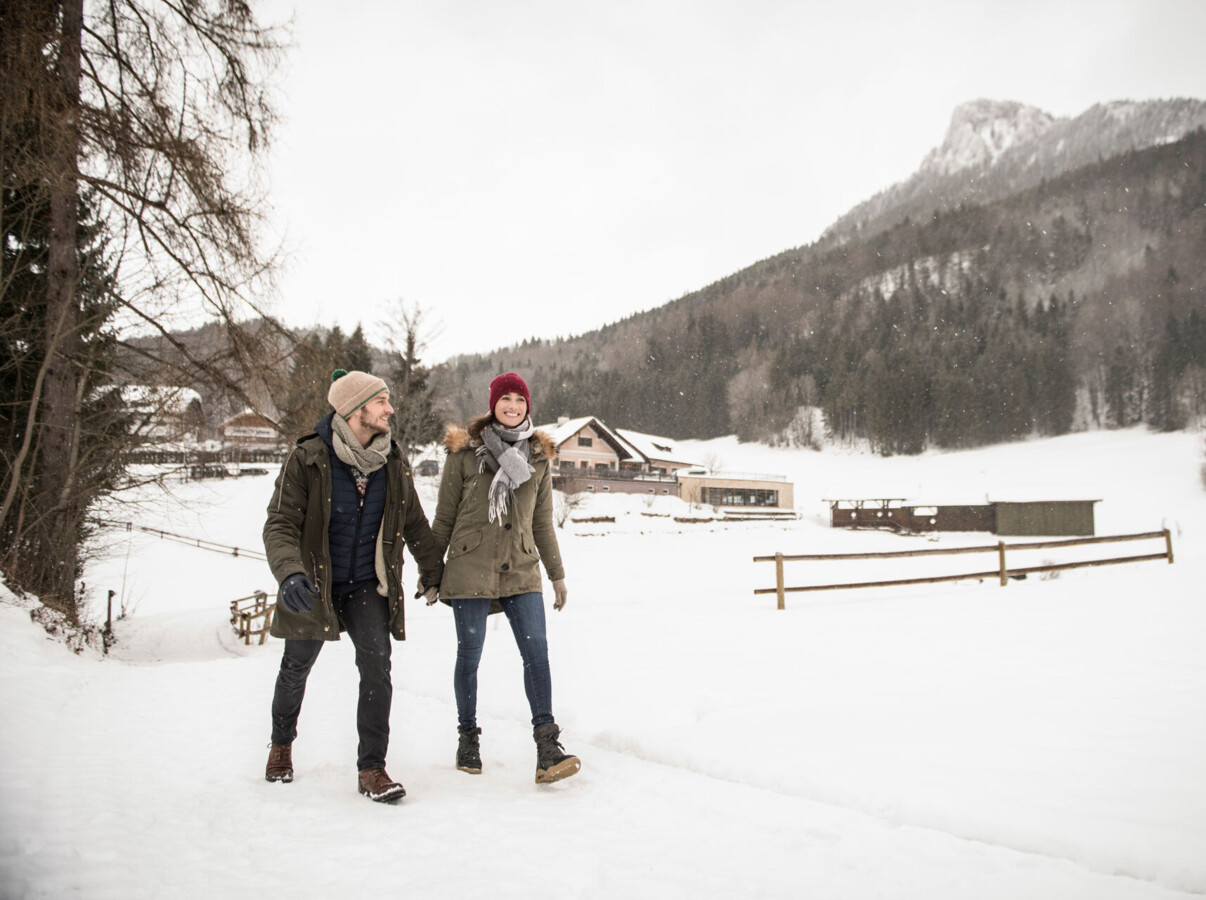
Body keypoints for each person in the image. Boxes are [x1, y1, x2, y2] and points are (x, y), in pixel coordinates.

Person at [262, 369, 444, 803]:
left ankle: (372, 769)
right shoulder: (307, 458)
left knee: (377, 667)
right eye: (382, 402)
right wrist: (290, 573)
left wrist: (433, 569)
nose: (390, 409)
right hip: (313, 583)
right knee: (295, 669)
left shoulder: (392, 462)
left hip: (366, 584)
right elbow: (280, 524)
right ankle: (281, 744)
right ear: (355, 409)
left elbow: (415, 523)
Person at [430, 372, 581, 784]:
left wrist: (558, 576)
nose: (513, 406)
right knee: (471, 653)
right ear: (492, 404)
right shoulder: (465, 454)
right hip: (469, 568)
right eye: (505, 399)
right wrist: (431, 572)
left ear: (527, 406)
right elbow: (444, 518)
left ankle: (547, 746)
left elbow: (542, 523)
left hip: (522, 568)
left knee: (537, 654)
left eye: (520, 399)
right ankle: (468, 736)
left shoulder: (537, 457)